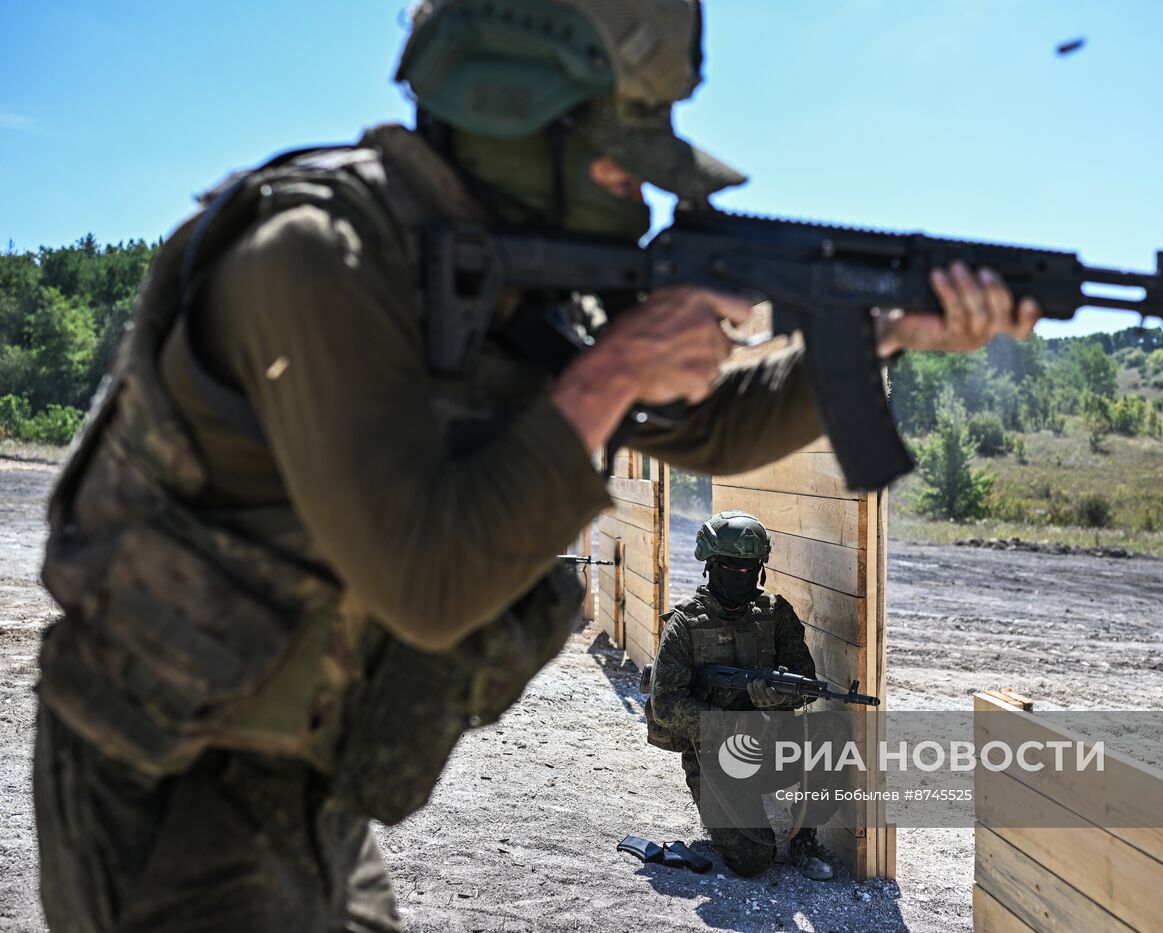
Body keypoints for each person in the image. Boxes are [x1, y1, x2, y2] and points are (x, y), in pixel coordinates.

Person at [30, 1, 1040, 930]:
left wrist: (879, 339)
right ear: (513, 125)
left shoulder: (510, 277)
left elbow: (713, 432)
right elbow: (427, 586)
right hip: (166, 785)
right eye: (616, 164)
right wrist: (604, 378)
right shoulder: (313, 258)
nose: (639, 195)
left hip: (309, 781)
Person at [646, 511, 841, 880]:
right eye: (731, 567)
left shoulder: (777, 614)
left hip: (770, 746)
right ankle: (729, 822)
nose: (742, 576)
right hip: (715, 760)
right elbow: (666, 704)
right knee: (754, 861)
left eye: (749, 568)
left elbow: (805, 682)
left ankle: (803, 837)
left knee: (832, 731)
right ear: (710, 565)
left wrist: (778, 700)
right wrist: (728, 725)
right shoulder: (685, 625)